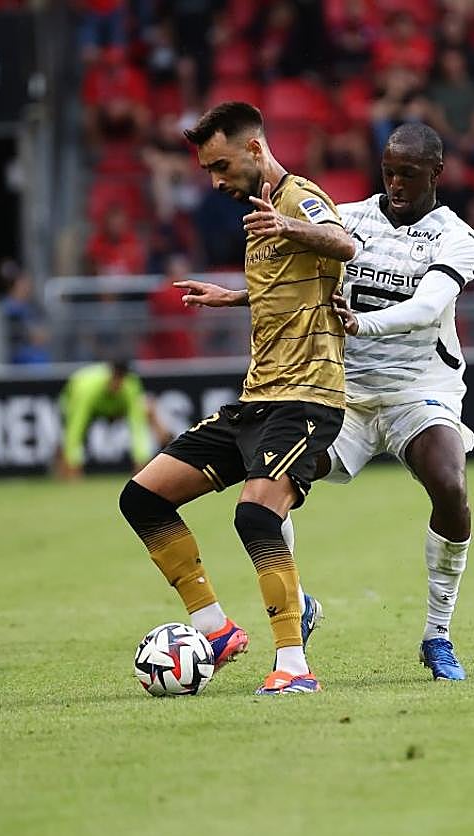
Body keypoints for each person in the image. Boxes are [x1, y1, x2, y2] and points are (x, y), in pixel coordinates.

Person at [177, 123, 474, 681]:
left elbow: (426, 306)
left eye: (408, 175)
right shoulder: (349, 217)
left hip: (420, 390)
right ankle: (300, 599)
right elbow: (303, 284)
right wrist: (235, 298)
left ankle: (437, 635)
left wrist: (361, 323)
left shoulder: (457, 236)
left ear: (436, 174)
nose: (395, 183)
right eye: (388, 171)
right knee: (273, 484)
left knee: (450, 485)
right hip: (341, 391)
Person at [118, 102, 355, 695]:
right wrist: (233, 297)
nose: (216, 181)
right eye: (207, 171)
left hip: (308, 398)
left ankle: (295, 667)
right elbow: (285, 286)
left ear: (254, 149)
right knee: (143, 498)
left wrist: (291, 227)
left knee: (254, 515)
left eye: (221, 165)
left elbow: (342, 243)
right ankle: (214, 629)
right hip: (256, 399)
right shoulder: (257, 214)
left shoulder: (298, 198)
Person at [58, 360, 169, 479]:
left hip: (113, 407)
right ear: (110, 375)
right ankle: (62, 464)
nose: (117, 384)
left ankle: (168, 448)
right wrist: (74, 464)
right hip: (74, 404)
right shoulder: (86, 388)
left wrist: (141, 462)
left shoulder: (131, 385)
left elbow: (137, 427)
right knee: (70, 435)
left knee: (148, 407)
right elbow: (76, 429)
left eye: (121, 380)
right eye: (115, 379)